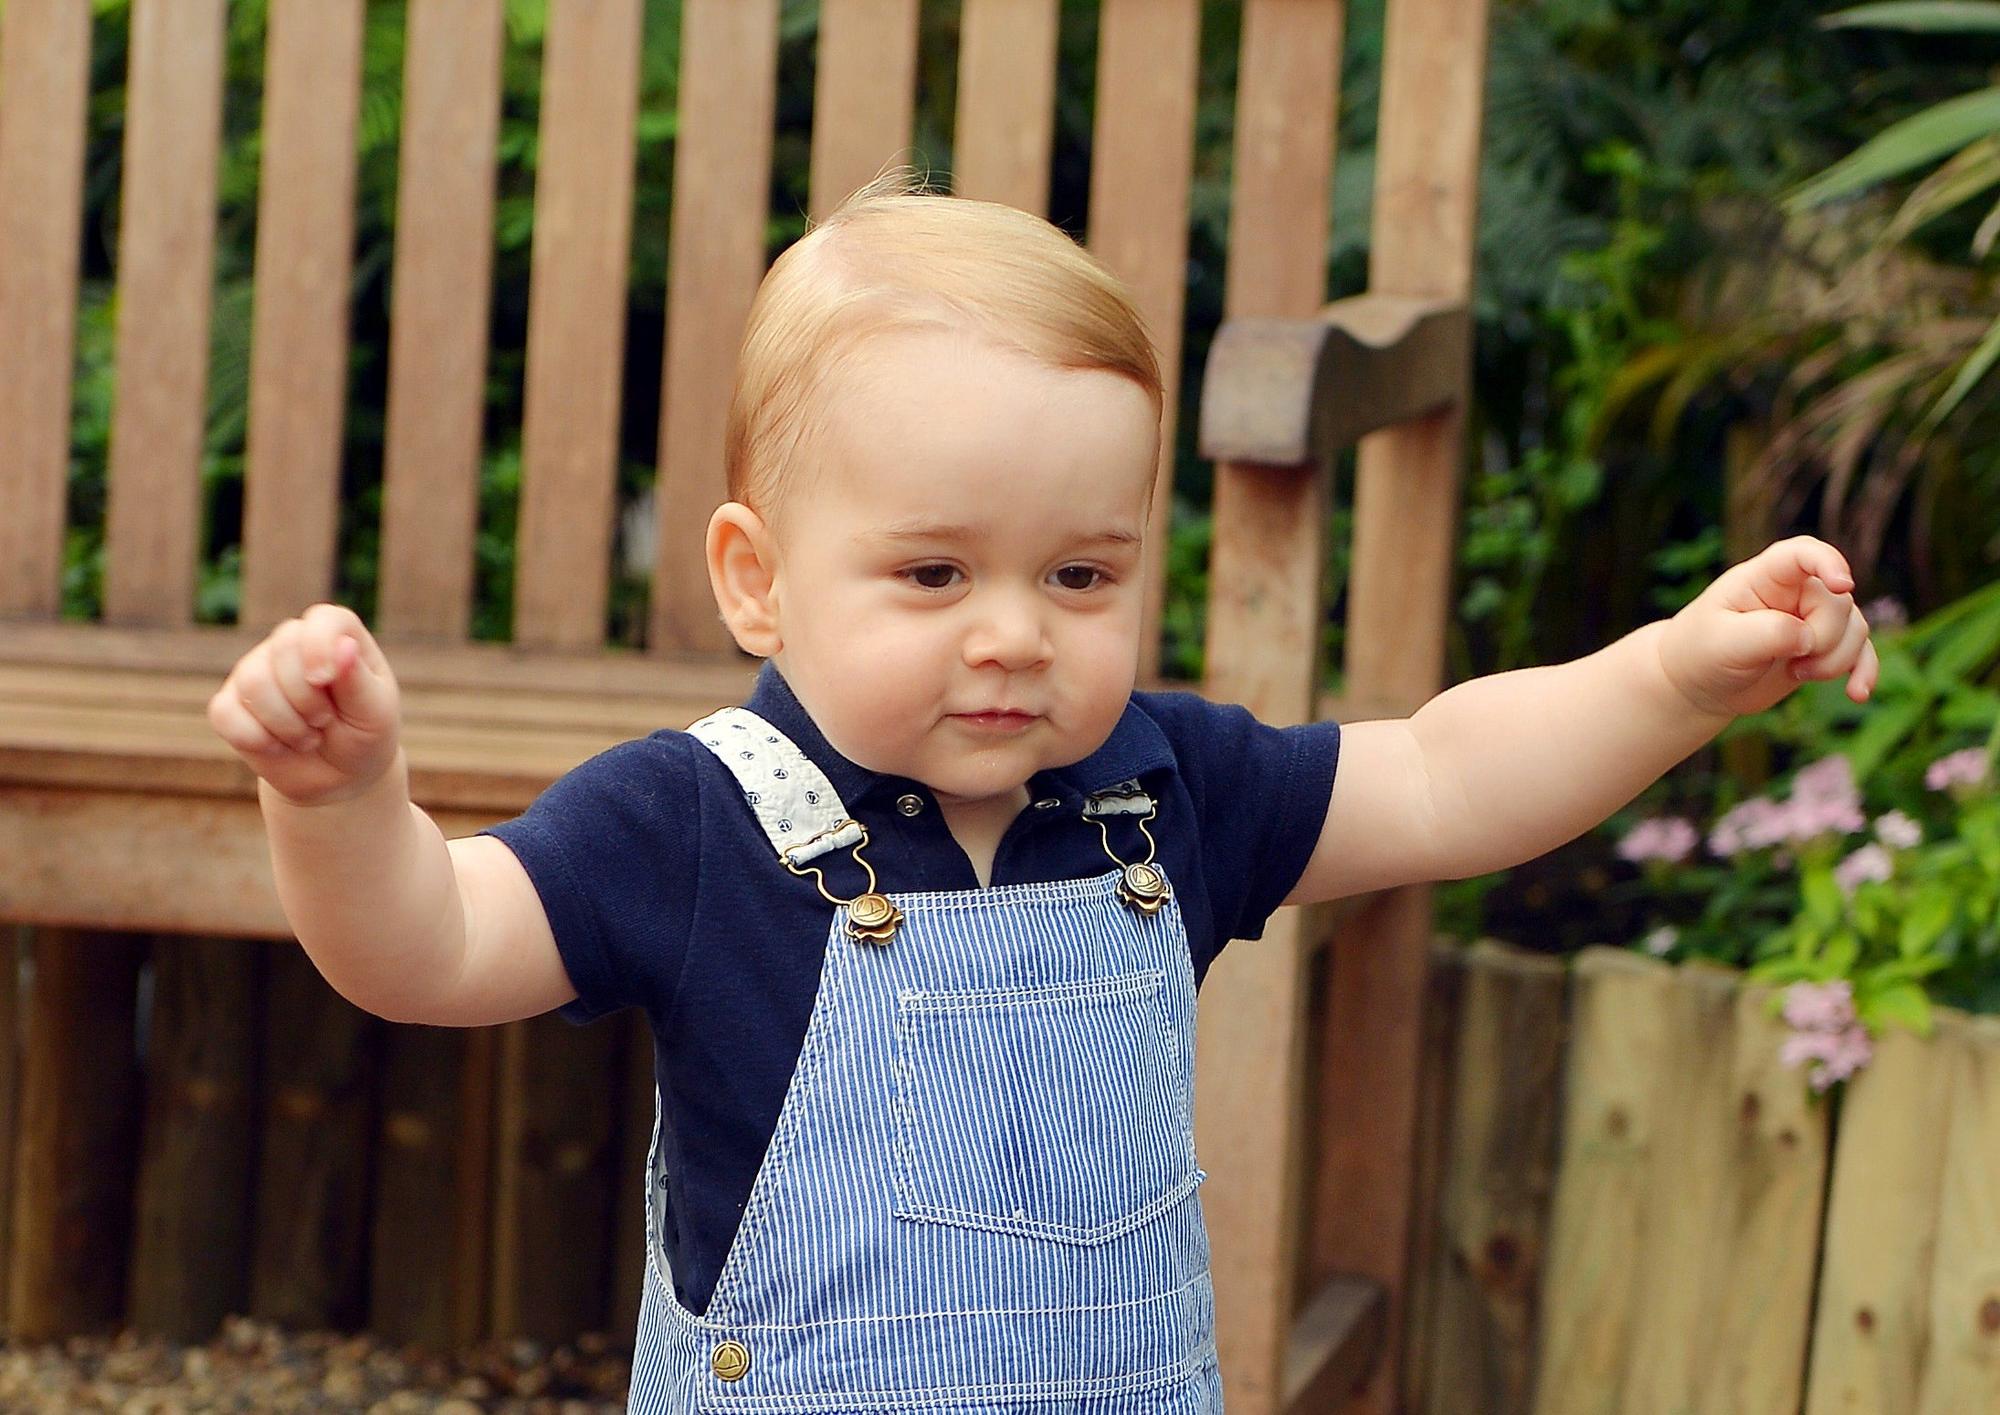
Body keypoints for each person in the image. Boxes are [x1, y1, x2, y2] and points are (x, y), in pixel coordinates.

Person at [206, 172, 1878, 1411]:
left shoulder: (1165, 788)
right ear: (757, 580)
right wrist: (343, 802)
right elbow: (423, 948)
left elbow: (1443, 780)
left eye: (1080, 577)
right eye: (933, 575)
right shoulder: (696, 825)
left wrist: (1670, 674)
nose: (1015, 636)